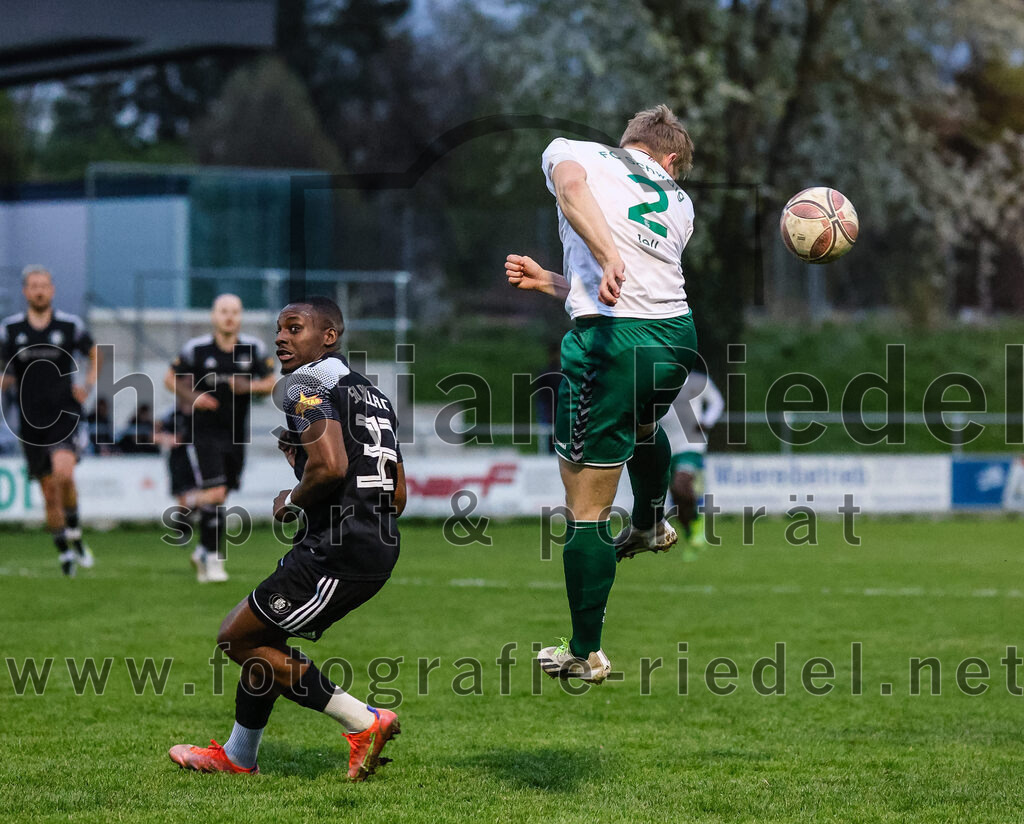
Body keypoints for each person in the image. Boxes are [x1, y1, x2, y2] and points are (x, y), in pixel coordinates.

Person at [169, 296, 406, 781]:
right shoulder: (370, 393)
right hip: (371, 539)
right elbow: (397, 492)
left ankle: (364, 721)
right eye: (279, 329)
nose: (281, 337)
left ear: (328, 336)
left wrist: (292, 498)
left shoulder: (304, 384)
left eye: (294, 328)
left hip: (339, 546)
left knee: (235, 639)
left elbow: (332, 466)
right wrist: (304, 464)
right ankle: (238, 756)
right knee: (264, 639)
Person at [506, 104, 697, 683]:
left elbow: (569, 190)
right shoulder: (682, 204)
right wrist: (555, 282)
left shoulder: (575, 149)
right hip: (677, 337)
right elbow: (631, 281)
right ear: (668, 160)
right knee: (642, 428)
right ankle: (649, 523)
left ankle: (585, 652)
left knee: (585, 511)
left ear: (629, 143)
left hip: (611, 344)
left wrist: (607, 254)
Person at [164, 294, 275, 582]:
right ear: (214, 316)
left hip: (237, 434)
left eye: (235, 312)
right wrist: (195, 396)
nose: (229, 317)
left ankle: (201, 544)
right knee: (215, 493)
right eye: (224, 311)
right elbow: (169, 379)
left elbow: (272, 382)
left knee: (221, 495)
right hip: (204, 432)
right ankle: (214, 561)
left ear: (241, 317)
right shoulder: (197, 349)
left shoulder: (253, 348)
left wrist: (248, 386)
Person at [0, 265, 100, 576]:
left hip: (64, 415)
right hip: (30, 421)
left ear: (52, 290)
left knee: (64, 474)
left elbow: (94, 352)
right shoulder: (11, 330)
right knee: (47, 491)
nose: (39, 290)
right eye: (33, 286)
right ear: (25, 292)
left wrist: (87, 384)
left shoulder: (69, 326)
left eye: (44, 285)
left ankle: (75, 532)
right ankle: (64, 552)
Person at [660, 369, 724, 553]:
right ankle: (690, 531)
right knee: (676, 495)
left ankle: (697, 522)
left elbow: (717, 402)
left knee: (682, 485)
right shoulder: (658, 380)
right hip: (667, 444)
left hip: (691, 444)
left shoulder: (698, 381)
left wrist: (706, 421)